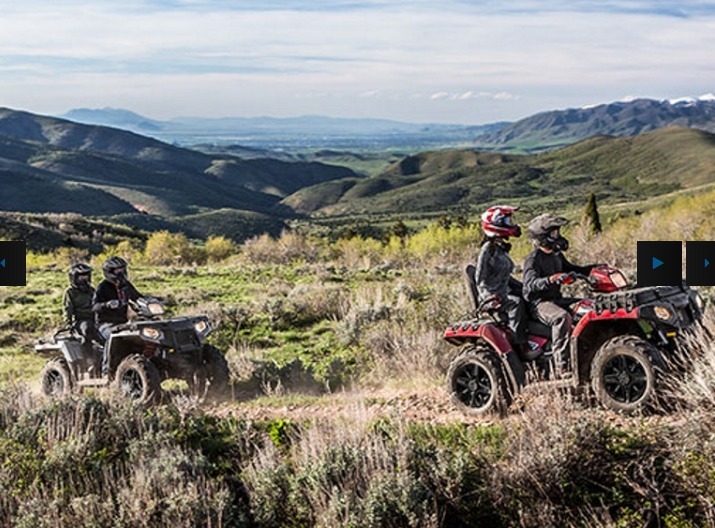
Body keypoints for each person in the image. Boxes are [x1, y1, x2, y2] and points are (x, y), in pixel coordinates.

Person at [522, 214, 597, 374]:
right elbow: (529, 285)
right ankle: (562, 365)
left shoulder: (556, 255)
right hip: (539, 304)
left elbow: (571, 268)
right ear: (543, 237)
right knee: (562, 318)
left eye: (558, 232)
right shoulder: (533, 259)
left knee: (588, 307)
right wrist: (552, 279)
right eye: (554, 233)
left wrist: (592, 269)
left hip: (556, 299)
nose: (558, 236)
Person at [475, 205, 528, 352]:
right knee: (516, 304)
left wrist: (525, 287)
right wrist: (489, 297)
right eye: (507, 221)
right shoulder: (487, 249)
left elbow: (505, 277)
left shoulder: (500, 248)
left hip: (505, 290)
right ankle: (518, 343)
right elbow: (480, 279)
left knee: (529, 297)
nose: (511, 224)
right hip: (495, 296)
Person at [92, 256, 142, 374]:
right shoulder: (103, 287)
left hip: (123, 323)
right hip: (104, 324)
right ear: (109, 272)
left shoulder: (126, 285)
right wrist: (107, 305)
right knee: (112, 335)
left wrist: (153, 301)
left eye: (122, 269)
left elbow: (138, 297)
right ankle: (106, 370)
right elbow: (94, 307)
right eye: (117, 270)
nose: (121, 272)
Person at [63, 263, 96, 362]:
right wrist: (68, 324)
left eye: (86, 276)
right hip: (81, 320)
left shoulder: (91, 291)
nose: (84, 279)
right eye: (81, 276)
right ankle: (88, 359)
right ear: (74, 278)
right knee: (86, 330)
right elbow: (67, 309)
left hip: (96, 318)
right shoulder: (70, 292)